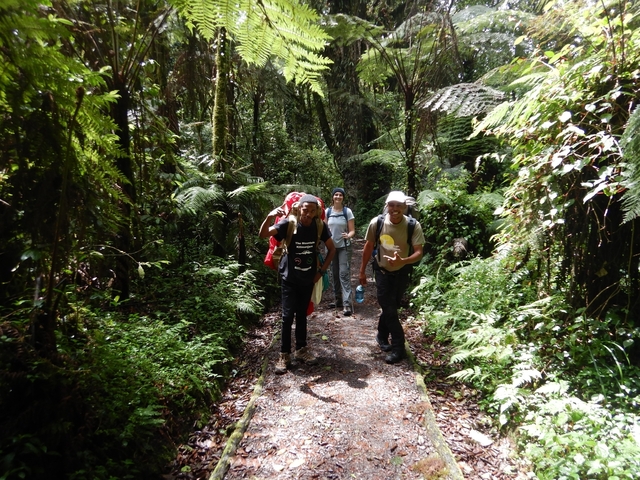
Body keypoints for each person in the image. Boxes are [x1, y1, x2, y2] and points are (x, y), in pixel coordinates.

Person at [260, 194, 336, 374]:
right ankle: (284, 354)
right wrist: (269, 217)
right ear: (299, 208)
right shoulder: (289, 224)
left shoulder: (320, 226)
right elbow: (263, 234)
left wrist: (321, 272)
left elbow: (332, 249)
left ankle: (301, 349)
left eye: (312, 211)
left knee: (301, 314)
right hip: (290, 277)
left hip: (308, 277)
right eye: (305, 210)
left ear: (316, 211)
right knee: (287, 316)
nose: (308, 214)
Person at [358, 191, 425, 364]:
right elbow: (368, 247)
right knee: (388, 308)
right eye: (391, 205)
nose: (395, 209)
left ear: (405, 207)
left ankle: (381, 335)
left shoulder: (412, 225)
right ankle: (398, 347)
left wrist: (403, 260)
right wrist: (362, 271)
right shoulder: (377, 223)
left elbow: (418, 252)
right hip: (381, 271)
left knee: (392, 306)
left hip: (402, 272)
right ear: (387, 206)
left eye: (399, 205)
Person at [325, 187, 356, 316]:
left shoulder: (347, 211)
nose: (338, 197)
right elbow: (324, 229)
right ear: (332, 197)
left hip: (344, 246)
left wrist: (348, 236)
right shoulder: (327, 212)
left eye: (340, 195)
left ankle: (347, 303)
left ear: (343, 197)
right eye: (336, 195)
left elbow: (352, 230)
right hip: (331, 247)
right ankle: (337, 300)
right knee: (334, 273)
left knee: (343, 273)